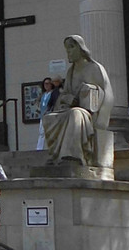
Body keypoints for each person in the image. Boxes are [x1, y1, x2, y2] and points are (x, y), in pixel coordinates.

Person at [42, 35, 113, 166]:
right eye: (67, 48)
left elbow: (106, 94)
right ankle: (57, 155)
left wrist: (90, 91)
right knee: (49, 118)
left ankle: (73, 156)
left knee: (76, 114)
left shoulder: (95, 68)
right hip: (71, 109)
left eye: (71, 47)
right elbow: (64, 94)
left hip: (89, 113)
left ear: (81, 49)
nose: (68, 51)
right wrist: (67, 98)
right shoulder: (71, 71)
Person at [35, 77, 56, 151]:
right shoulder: (43, 94)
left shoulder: (52, 93)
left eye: (48, 84)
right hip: (43, 116)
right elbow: (38, 103)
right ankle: (39, 148)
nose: (46, 85)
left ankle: (53, 148)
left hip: (50, 115)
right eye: (45, 84)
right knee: (41, 132)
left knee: (51, 132)